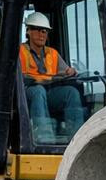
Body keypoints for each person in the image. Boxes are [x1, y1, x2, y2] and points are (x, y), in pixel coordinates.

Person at [19, 11, 84, 139]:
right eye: (37, 30)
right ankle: (43, 137)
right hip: (26, 92)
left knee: (71, 92)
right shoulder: (20, 51)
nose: (42, 34)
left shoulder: (52, 53)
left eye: (45, 31)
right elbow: (19, 77)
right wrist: (40, 80)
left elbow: (66, 71)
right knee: (38, 91)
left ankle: (77, 137)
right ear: (28, 31)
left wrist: (71, 71)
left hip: (49, 91)